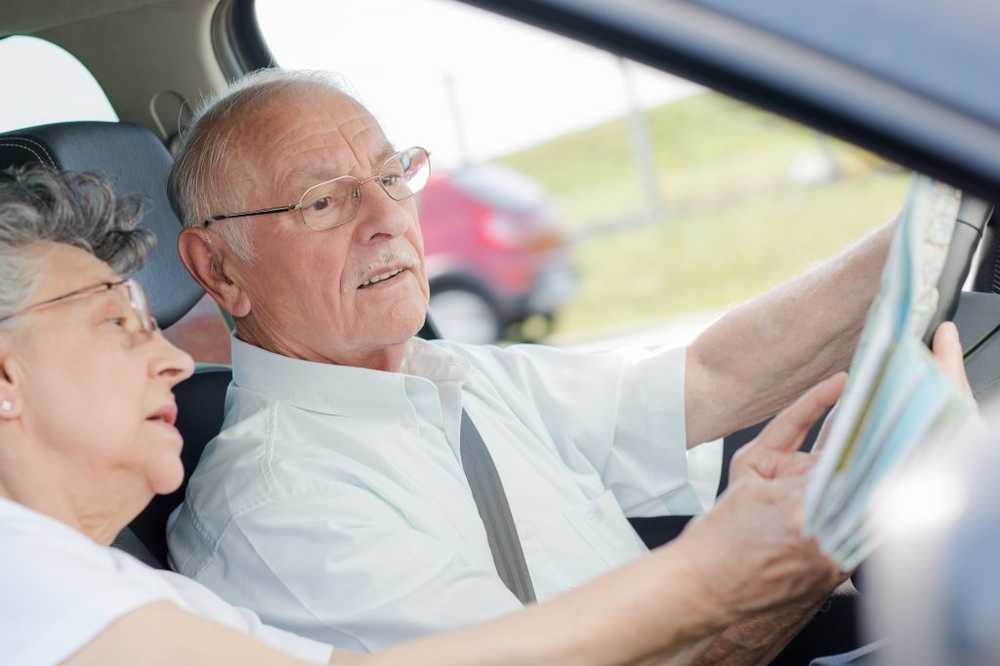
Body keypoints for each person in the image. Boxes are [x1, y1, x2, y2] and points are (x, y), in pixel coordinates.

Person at [165, 68, 967, 656]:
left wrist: (934, 222)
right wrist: (808, 548)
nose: (387, 219)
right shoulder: (280, 513)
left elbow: (710, 378)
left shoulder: (456, 378)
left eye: (387, 174)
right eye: (323, 201)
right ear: (220, 270)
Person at [0, 165, 854, 666]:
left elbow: (699, 382)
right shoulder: (24, 576)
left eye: (392, 175)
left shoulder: (109, 581)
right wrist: (717, 575)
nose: (179, 360)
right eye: (117, 322)